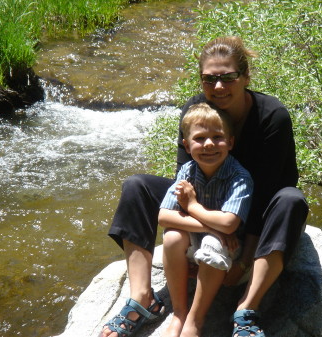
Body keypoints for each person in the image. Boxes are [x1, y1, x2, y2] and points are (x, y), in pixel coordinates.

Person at [100, 36, 309, 337]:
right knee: (137, 187)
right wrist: (203, 233)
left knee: (292, 200)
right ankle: (142, 296)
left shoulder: (271, 117)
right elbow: (184, 186)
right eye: (210, 79)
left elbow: (265, 195)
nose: (219, 87)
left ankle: (246, 309)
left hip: (258, 215)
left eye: (228, 77)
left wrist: (243, 261)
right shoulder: (196, 110)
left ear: (245, 77)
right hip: (211, 213)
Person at [159, 102, 253, 337]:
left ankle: (195, 320)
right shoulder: (187, 171)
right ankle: (179, 313)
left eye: (217, 137)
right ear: (187, 146)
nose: (209, 144)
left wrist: (192, 206)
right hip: (204, 241)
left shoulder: (239, 177)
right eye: (200, 138)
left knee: (213, 242)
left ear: (230, 142)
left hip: (229, 250)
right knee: (171, 237)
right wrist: (215, 227)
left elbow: (230, 224)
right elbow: (163, 216)